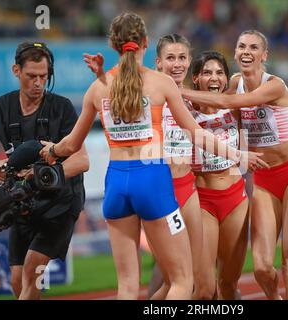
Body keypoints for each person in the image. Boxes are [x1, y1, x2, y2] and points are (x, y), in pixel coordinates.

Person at [40, 13, 267, 300]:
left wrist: (49, 151)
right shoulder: (160, 84)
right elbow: (197, 132)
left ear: (113, 45)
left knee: (126, 286)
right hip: (153, 181)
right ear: (147, 45)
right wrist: (238, 154)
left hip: (117, 183)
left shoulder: (99, 88)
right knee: (183, 282)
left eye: (183, 58)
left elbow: (70, 145)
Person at [181, 30, 288, 300]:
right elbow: (224, 110)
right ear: (235, 53)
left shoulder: (275, 85)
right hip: (264, 180)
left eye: (254, 47)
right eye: (241, 46)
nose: (246, 51)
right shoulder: (233, 83)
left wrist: (178, 90)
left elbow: (226, 102)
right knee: (261, 268)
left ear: (264, 55)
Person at [83, 34, 204, 300]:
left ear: (190, 62)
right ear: (157, 61)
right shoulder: (152, 90)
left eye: (182, 57)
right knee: (173, 279)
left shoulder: (200, 98)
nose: (177, 64)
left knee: (197, 281)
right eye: (170, 58)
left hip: (183, 188)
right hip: (157, 187)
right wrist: (103, 77)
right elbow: (118, 101)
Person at [0, 41, 89, 300]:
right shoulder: (1, 106)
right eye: (31, 76)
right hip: (23, 204)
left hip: (60, 204)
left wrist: (39, 174)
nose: (38, 83)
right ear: (16, 70)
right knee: (17, 281)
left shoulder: (62, 108)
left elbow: (82, 161)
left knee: (30, 271)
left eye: (43, 77)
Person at [190, 51, 249, 300]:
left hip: (236, 200)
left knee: (228, 286)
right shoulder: (184, 111)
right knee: (204, 291)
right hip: (202, 202)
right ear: (195, 79)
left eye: (219, 73)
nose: (214, 78)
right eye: (207, 73)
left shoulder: (234, 107)